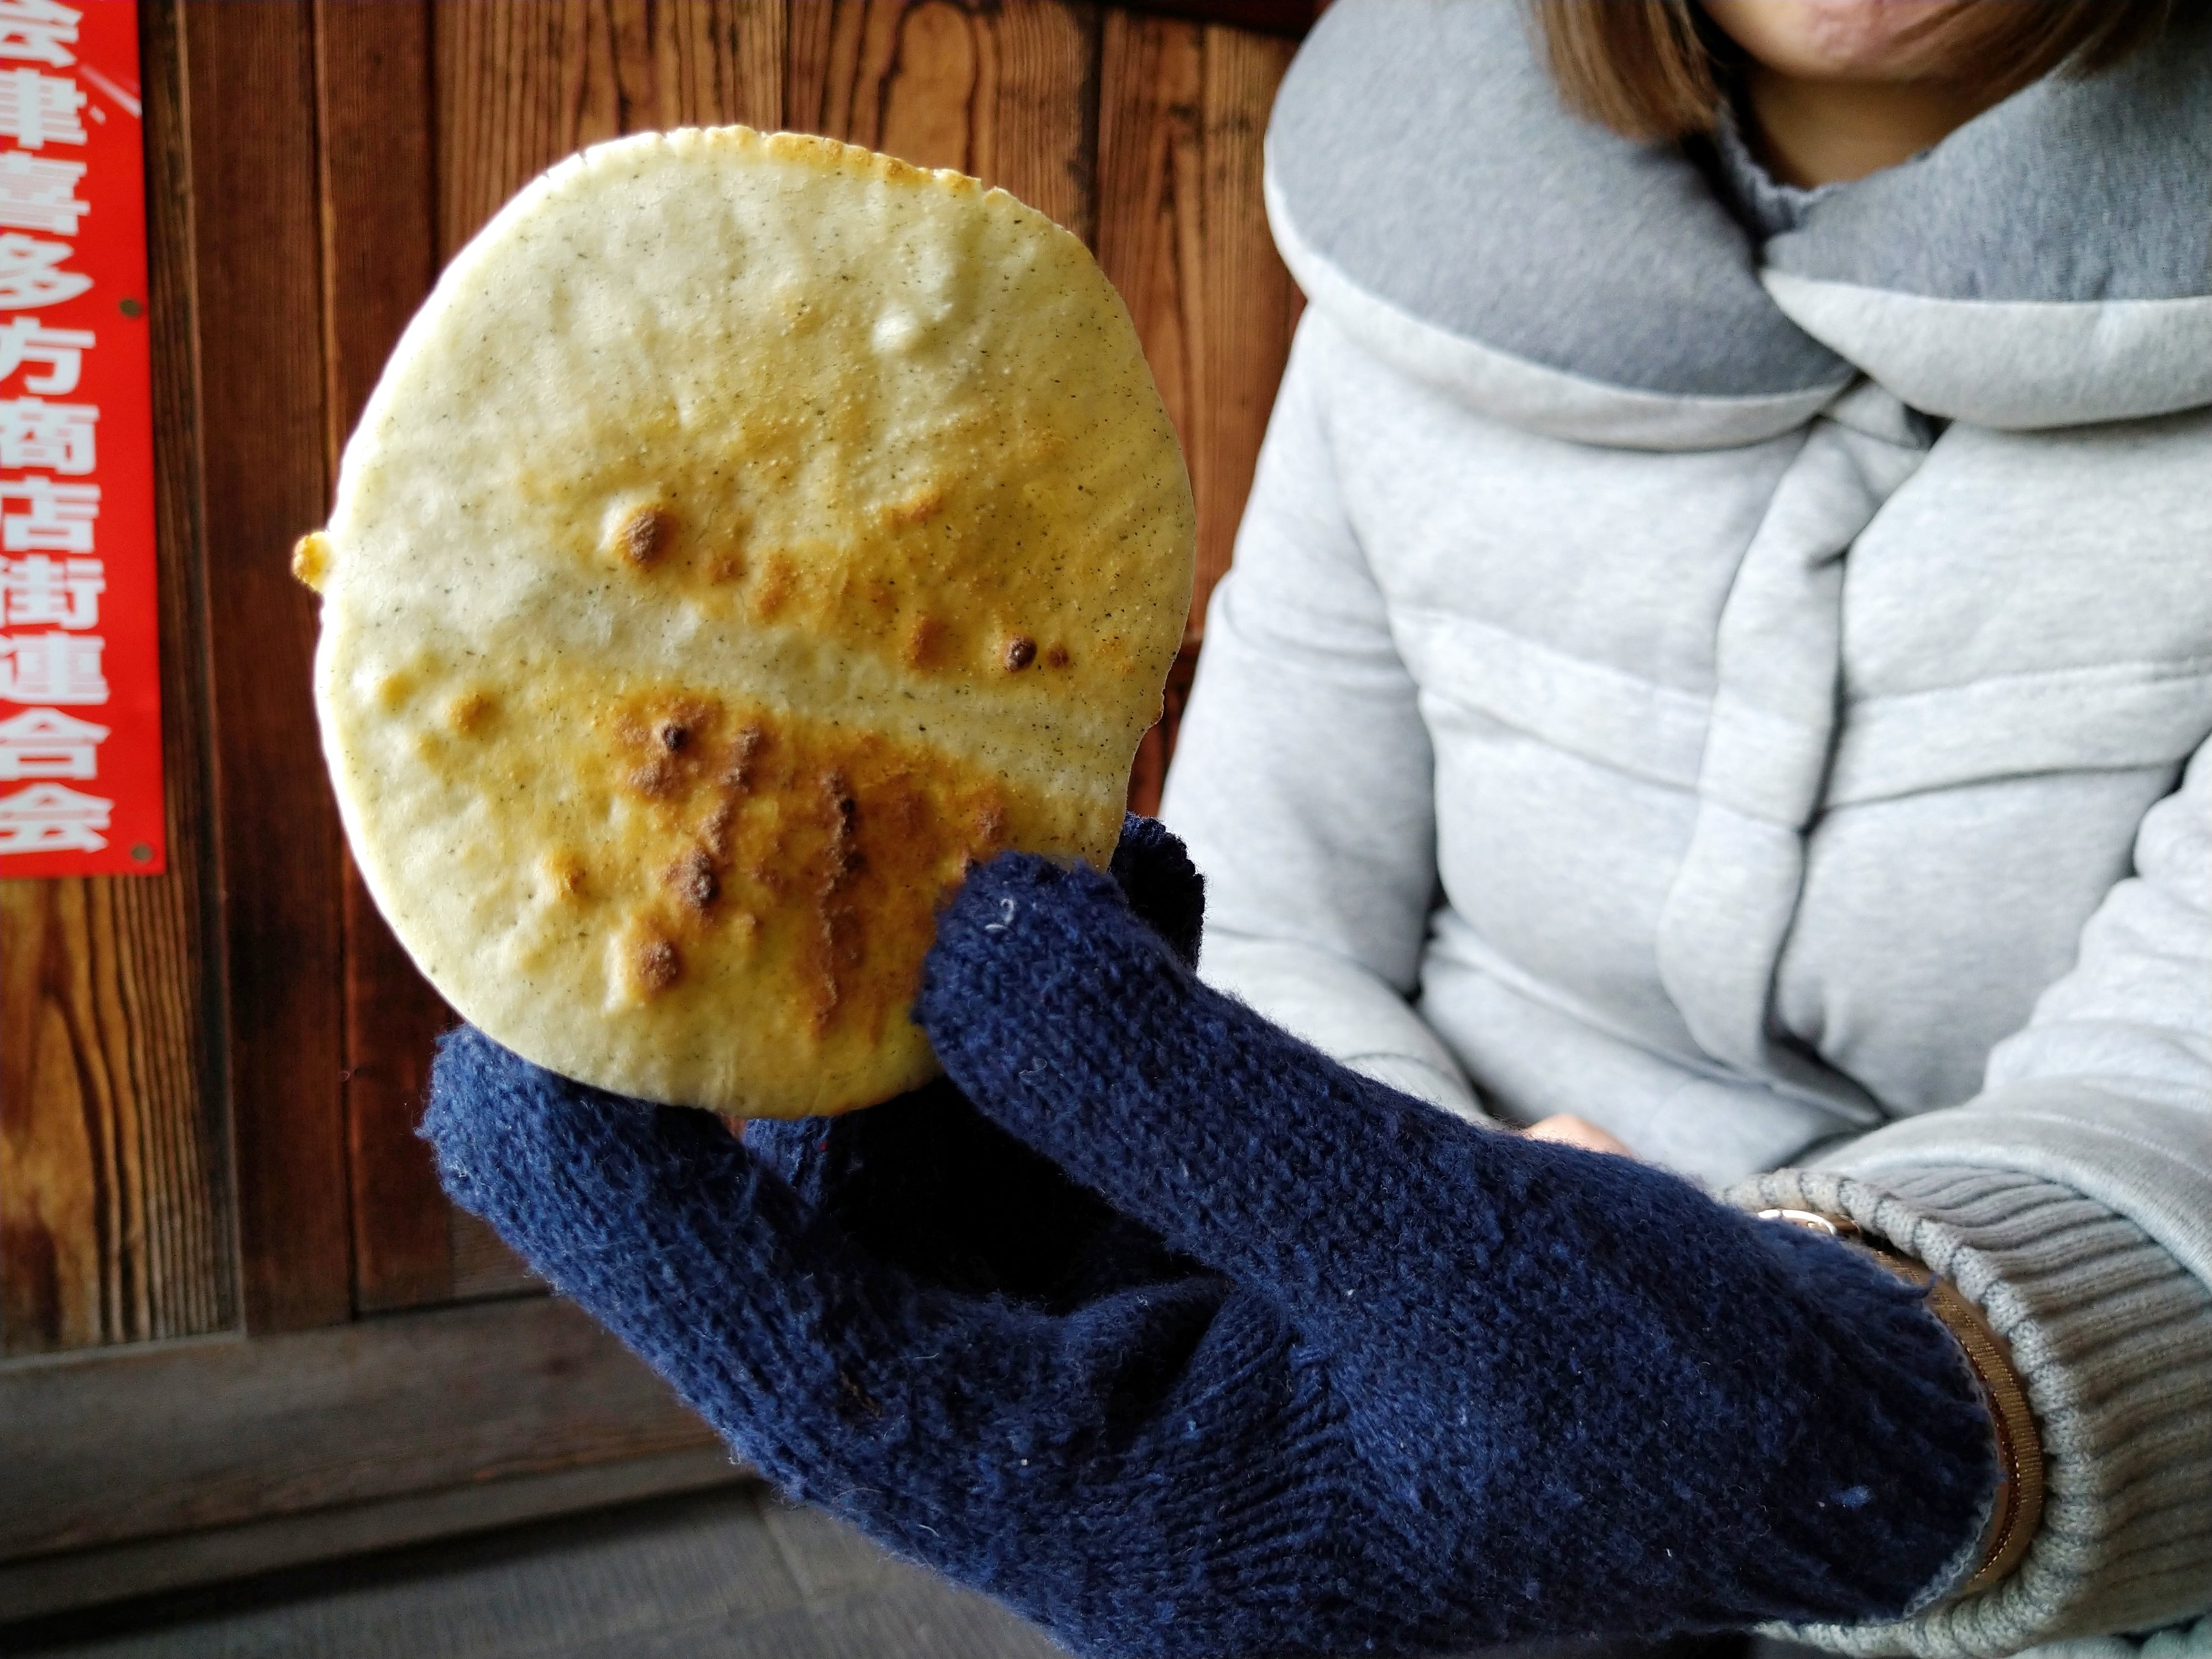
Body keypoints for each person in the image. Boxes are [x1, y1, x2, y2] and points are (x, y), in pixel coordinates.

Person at [422, 3, 2212, 1656]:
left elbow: (2179, 1080)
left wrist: (1888, 1396)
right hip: (1371, 1335)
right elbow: (1266, 896)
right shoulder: (1411, 270)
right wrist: (1416, 1283)